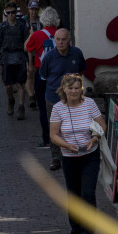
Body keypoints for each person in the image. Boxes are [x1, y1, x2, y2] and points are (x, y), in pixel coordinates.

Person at [50, 74, 106, 234]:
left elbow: (102, 125)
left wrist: (95, 139)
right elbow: (54, 135)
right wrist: (66, 145)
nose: (73, 91)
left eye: (76, 88)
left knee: (87, 194)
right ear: (64, 89)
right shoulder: (58, 108)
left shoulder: (89, 104)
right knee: (73, 196)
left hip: (89, 155)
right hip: (69, 157)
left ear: (81, 89)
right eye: (70, 88)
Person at [39, 29, 86, 171]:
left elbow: (81, 70)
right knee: (55, 128)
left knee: (74, 126)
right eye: (58, 39)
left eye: (63, 39)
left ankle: (74, 153)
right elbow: (43, 75)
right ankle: (55, 157)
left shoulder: (77, 53)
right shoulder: (49, 57)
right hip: (53, 98)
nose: (60, 42)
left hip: (73, 99)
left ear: (69, 40)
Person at [26, 7, 60, 149]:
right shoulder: (61, 34)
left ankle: (46, 138)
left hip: (42, 74)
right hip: (58, 74)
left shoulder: (38, 35)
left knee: (42, 107)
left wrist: (31, 35)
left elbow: (28, 47)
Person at [0, 2, 29, 120]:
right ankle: (10, 100)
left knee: (20, 84)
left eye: (13, 12)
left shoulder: (22, 26)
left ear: (16, 13)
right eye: (8, 13)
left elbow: (27, 44)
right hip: (6, 58)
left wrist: (29, 62)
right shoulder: (1, 28)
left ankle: (21, 107)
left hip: (19, 57)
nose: (10, 15)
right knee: (8, 86)